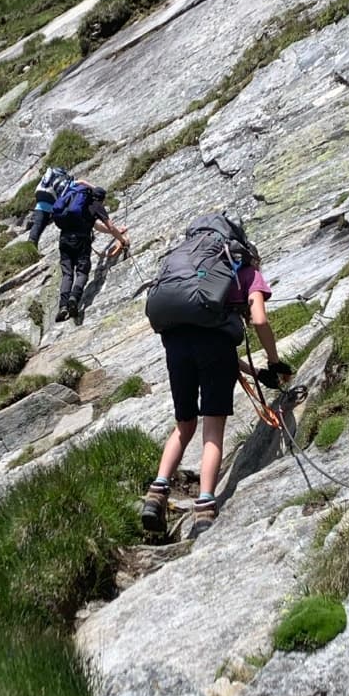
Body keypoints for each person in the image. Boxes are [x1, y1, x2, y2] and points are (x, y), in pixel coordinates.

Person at [142, 217, 292, 538]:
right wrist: (275, 362)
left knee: (184, 425)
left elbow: (208, 344)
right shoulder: (248, 272)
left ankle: (156, 494)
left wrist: (257, 373)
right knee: (212, 426)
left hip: (176, 343)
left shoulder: (188, 266)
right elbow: (259, 321)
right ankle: (205, 507)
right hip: (215, 347)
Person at [50, 180, 127, 323]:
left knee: (67, 274)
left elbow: (97, 227)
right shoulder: (97, 206)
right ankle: (74, 298)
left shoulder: (80, 202)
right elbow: (109, 226)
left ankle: (63, 306)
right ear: (102, 199)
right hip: (81, 242)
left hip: (64, 240)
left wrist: (116, 232)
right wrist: (122, 240)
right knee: (82, 271)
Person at [27, 163, 74, 246]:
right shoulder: (66, 178)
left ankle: (31, 245)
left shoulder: (50, 174)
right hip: (53, 205)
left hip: (40, 203)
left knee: (37, 225)